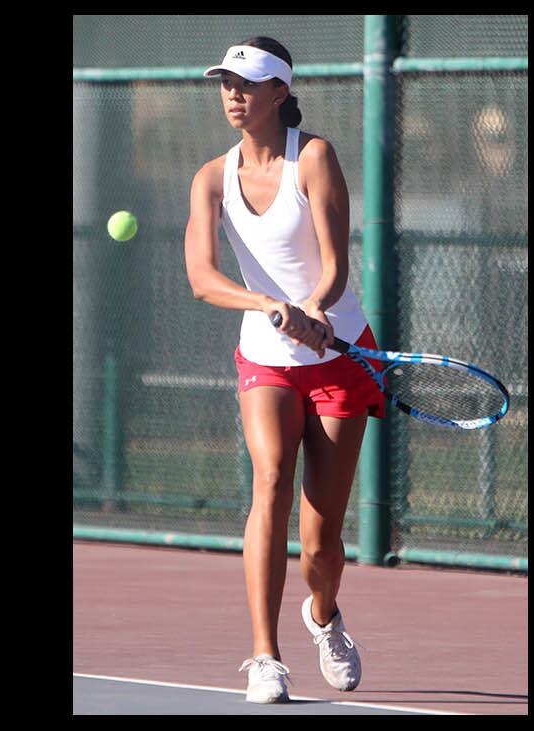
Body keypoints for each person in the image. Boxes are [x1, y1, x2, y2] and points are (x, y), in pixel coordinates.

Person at [184, 36, 382, 704]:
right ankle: (265, 656)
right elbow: (203, 278)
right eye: (225, 83)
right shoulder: (213, 176)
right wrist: (267, 303)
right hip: (266, 359)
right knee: (269, 480)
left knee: (321, 544)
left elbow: (334, 267)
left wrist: (313, 308)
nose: (232, 94)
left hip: (339, 355)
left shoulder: (315, 158)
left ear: (279, 92)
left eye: (247, 83)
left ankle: (323, 613)